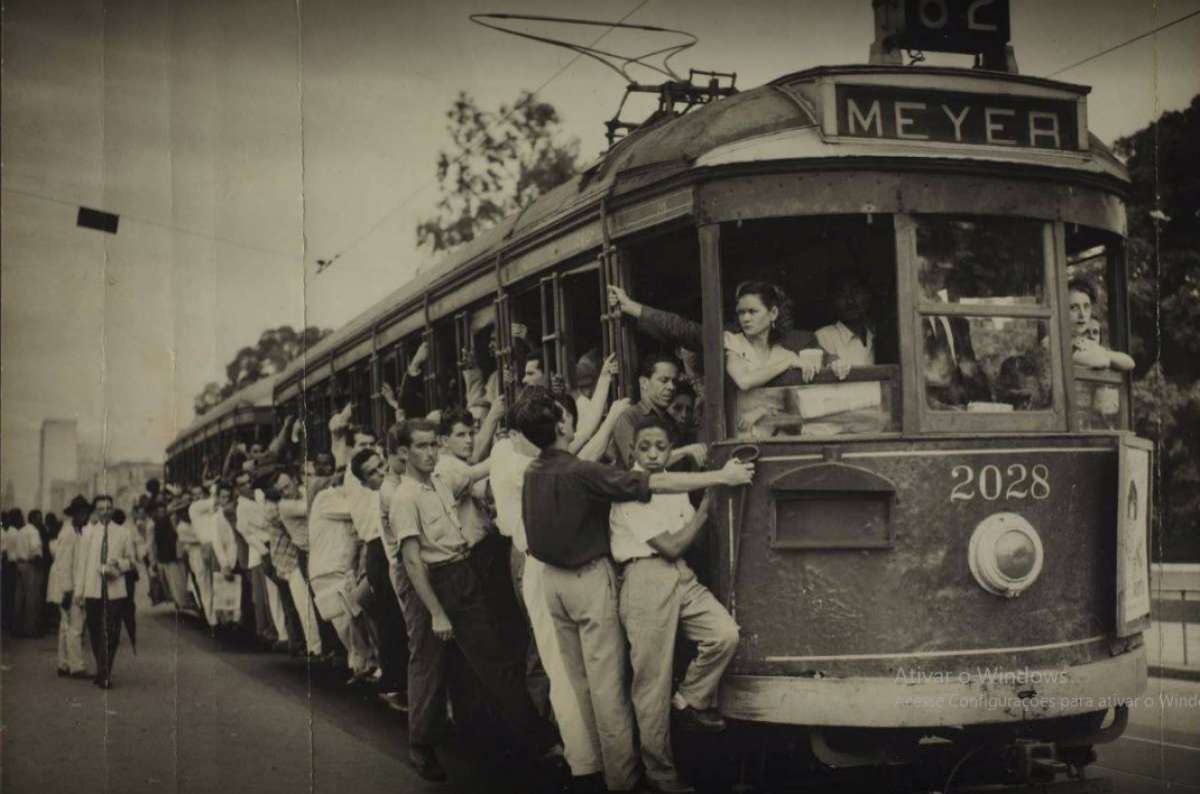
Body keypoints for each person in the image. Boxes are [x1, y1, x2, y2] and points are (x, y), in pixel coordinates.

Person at [517, 386, 754, 792]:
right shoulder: (579, 471)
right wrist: (721, 479)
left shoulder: (537, 470)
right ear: (561, 425)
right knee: (612, 690)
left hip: (549, 581)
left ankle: (604, 767)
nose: (574, 419)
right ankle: (629, 782)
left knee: (584, 687)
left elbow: (637, 469)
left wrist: (676, 453)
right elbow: (645, 485)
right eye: (568, 416)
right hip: (591, 580)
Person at [389, 419, 565, 783]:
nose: (429, 453)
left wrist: (507, 444)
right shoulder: (403, 498)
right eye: (420, 447)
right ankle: (421, 745)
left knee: (493, 657)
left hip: (462, 573)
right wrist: (437, 613)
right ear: (403, 452)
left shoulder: (440, 480)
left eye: (433, 445)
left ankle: (535, 742)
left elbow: (476, 473)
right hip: (431, 582)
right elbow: (411, 561)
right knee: (429, 666)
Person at [490, 391, 632, 791]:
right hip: (540, 565)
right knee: (567, 669)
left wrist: (604, 390)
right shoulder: (525, 464)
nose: (565, 426)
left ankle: (588, 759)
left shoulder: (510, 454)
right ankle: (586, 762)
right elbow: (583, 455)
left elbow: (577, 445)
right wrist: (612, 412)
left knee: (568, 667)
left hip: (534, 561)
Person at [612, 418, 740, 792]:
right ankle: (662, 777)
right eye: (645, 447)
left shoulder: (674, 485)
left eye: (660, 447)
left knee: (725, 634)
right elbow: (671, 544)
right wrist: (708, 505)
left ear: (670, 450)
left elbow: (686, 543)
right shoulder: (629, 489)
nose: (653, 454)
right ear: (633, 450)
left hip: (679, 576)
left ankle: (688, 701)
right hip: (645, 578)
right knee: (651, 684)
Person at [725, 281, 823, 437]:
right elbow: (744, 381)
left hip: (776, 444)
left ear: (773, 313)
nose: (746, 318)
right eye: (741, 312)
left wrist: (764, 411)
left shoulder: (785, 354)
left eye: (752, 311)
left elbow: (798, 420)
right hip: (740, 443)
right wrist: (787, 363)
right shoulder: (733, 342)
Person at [72, 495, 137, 688]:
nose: (105, 511)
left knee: (112, 631)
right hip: (93, 589)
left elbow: (131, 560)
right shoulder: (87, 533)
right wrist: (79, 591)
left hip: (115, 588)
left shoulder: (123, 533)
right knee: (94, 630)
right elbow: (81, 564)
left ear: (113, 509)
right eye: (100, 508)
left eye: (108, 507)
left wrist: (118, 564)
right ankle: (102, 668)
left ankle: (105, 673)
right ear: (95, 511)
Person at [609, 353, 707, 471]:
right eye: (664, 380)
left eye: (674, 381)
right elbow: (638, 465)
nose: (671, 387)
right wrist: (685, 451)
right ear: (644, 383)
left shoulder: (671, 422)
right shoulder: (628, 417)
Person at [49, 495, 91, 677]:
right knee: (75, 626)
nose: (85, 517)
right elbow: (64, 564)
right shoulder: (69, 534)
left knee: (66, 626)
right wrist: (68, 591)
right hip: (68, 586)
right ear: (76, 514)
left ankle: (64, 663)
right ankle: (76, 666)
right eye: (83, 513)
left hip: (68, 584)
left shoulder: (74, 531)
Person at [816, 275, 875, 378]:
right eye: (842, 294)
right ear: (833, 301)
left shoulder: (876, 337)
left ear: (867, 296)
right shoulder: (823, 337)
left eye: (856, 292)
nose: (850, 301)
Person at [13, 508, 45, 637]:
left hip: (19, 564)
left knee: (19, 598)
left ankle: (16, 627)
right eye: (39, 517)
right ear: (33, 518)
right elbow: (35, 550)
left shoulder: (21, 530)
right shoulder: (34, 532)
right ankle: (30, 629)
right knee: (32, 598)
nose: (41, 520)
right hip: (30, 565)